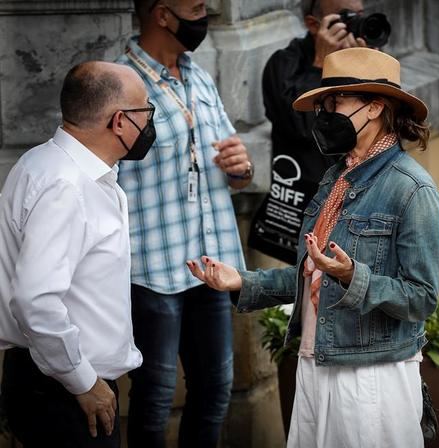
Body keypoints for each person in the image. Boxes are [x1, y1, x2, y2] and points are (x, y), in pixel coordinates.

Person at [188, 47, 439, 448]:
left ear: (375, 107)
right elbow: (314, 271)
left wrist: (352, 276)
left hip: (369, 377)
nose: (324, 113)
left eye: (336, 101)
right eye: (322, 103)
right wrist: (242, 281)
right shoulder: (335, 178)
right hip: (316, 362)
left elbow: (422, 298)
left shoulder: (412, 189)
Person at [117, 1, 252, 446]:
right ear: (161, 14)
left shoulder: (199, 75)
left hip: (212, 265)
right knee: (154, 399)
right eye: (195, 6)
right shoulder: (120, 83)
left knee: (215, 391)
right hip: (153, 268)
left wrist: (240, 168)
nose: (204, 14)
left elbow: (232, 168)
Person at [0, 61, 150, 447]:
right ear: (119, 121)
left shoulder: (51, 165)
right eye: (146, 112)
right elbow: (35, 301)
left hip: (60, 382)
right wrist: (84, 383)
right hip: (65, 390)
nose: (150, 123)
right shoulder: (65, 185)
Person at [248, 0, 367, 264]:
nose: (354, 24)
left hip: (359, 210)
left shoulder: (364, 58)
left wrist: (368, 68)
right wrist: (321, 66)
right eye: (345, 18)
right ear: (314, 24)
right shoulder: (284, 65)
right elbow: (302, 126)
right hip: (302, 217)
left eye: (359, 15)